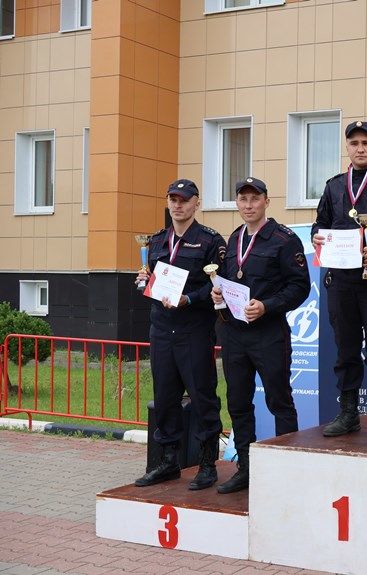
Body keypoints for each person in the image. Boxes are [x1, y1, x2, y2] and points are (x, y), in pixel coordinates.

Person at [211, 177, 311, 494]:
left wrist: (267, 306)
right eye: (243, 199)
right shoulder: (234, 238)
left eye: (255, 199)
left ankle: (287, 471)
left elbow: (299, 287)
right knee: (238, 402)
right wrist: (218, 294)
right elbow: (229, 280)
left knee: (279, 401)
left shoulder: (284, 239)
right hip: (234, 334)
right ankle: (246, 468)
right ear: (237, 203)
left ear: (266, 201)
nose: (249, 205)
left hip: (269, 333)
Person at [134, 179, 225, 491]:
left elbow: (218, 286)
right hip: (161, 329)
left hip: (193, 330)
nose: (178, 205)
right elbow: (151, 282)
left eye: (184, 200)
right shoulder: (157, 240)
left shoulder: (210, 241)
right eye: (173, 199)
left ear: (196, 203)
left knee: (202, 396)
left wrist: (189, 299)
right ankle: (168, 461)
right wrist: (143, 281)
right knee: (165, 397)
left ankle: (208, 464)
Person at [312, 121, 367, 440]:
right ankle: (348, 412)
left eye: (366, 142)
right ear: (347, 148)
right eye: (354, 143)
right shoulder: (334, 186)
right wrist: (317, 239)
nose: (360, 148)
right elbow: (319, 225)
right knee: (345, 348)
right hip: (342, 280)